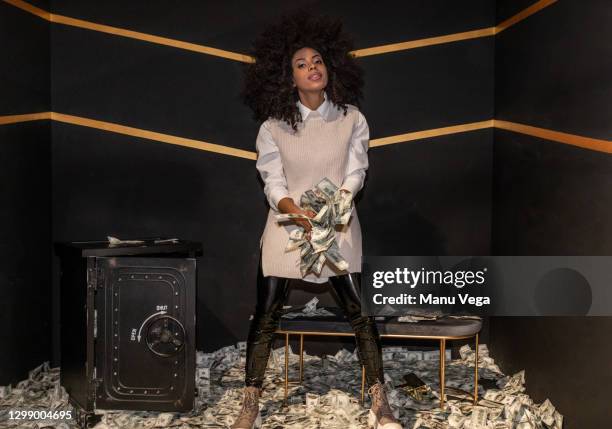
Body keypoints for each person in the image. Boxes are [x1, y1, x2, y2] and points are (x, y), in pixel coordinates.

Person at [234, 10, 403, 429]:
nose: (312, 68)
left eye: (318, 61)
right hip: (287, 229)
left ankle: (381, 404)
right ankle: (250, 405)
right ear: (289, 78)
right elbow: (271, 180)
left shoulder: (352, 118)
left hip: (339, 224)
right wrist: (294, 210)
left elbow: (356, 170)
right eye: (301, 64)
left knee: (360, 315)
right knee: (266, 314)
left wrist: (337, 204)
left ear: (331, 68)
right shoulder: (273, 127)